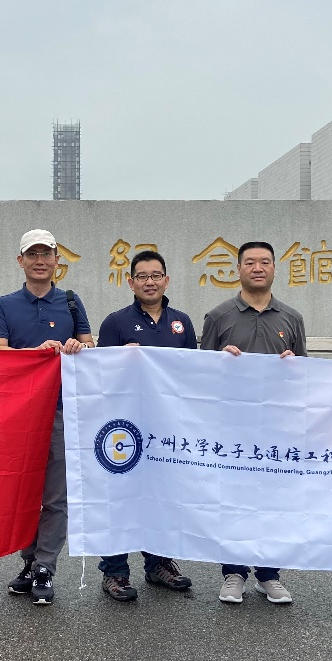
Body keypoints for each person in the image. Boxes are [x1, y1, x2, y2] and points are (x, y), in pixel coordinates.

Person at [0, 229, 94, 606]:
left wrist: (79, 346)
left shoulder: (70, 302)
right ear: (20, 261)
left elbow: (89, 344)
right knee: (22, 493)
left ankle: (46, 566)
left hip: (62, 410)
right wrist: (35, 353)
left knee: (56, 496)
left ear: (56, 261)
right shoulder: (5, 304)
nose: (40, 261)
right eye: (32, 254)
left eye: (46, 254)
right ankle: (29, 562)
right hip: (18, 414)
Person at [199, 241, 305, 607]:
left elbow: (305, 375)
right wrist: (220, 360)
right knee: (232, 499)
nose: (257, 268)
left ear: (274, 268)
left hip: (276, 427)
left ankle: (269, 573)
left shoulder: (291, 318)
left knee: (273, 500)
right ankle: (233, 572)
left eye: (265, 262)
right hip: (231, 427)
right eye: (250, 262)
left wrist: (292, 364)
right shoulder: (218, 316)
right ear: (238, 269)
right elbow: (201, 373)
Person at [95, 249, 197, 602]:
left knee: (163, 496)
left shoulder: (181, 322)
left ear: (167, 280)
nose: (149, 282)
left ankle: (159, 564)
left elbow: (192, 372)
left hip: (167, 426)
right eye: (142, 276)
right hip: (125, 427)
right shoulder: (115, 322)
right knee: (119, 497)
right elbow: (100, 375)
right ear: (131, 282)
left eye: (156, 275)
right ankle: (115, 571)